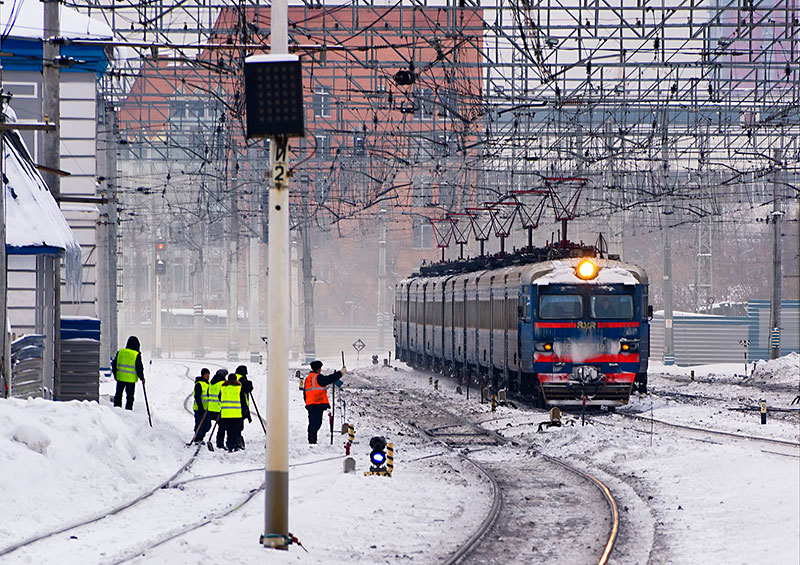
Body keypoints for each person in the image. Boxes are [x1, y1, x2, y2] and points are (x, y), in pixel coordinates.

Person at [304, 360, 346, 444]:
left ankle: (312, 440)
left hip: (310, 404)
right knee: (316, 423)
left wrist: (307, 402)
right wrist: (340, 373)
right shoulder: (318, 377)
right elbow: (329, 379)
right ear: (319, 369)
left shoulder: (308, 378)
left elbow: (305, 393)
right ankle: (312, 441)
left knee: (312, 423)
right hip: (317, 403)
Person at [111, 336, 145, 410]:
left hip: (120, 378)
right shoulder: (136, 354)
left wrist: (116, 375)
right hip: (130, 380)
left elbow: (114, 365)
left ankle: (117, 410)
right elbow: (139, 367)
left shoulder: (120, 352)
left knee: (118, 395)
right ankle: (128, 411)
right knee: (130, 397)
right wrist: (142, 378)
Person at [219, 373, 247, 452]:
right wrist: (244, 411)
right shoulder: (238, 389)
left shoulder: (223, 388)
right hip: (236, 414)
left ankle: (229, 445)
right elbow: (243, 401)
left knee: (228, 430)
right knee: (235, 431)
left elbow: (219, 398)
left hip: (226, 414)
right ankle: (234, 445)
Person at [234, 365, 253, 449]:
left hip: (233, 405)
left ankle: (235, 438)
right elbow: (248, 388)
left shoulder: (234, 377)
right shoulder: (241, 379)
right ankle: (237, 440)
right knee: (239, 425)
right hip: (241, 405)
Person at [191, 368, 211, 443]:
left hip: (207, 409)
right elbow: (197, 396)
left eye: (208, 374)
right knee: (199, 424)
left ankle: (201, 437)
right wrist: (201, 407)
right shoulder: (199, 384)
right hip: (199, 409)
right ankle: (197, 438)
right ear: (203, 375)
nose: (208, 376)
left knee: (207, 425)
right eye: (206, 374)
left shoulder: (208, 384)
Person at [208, 368, 226, 447]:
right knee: (222, 427)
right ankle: (220, 443)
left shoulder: (211, 383)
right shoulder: (222, 383)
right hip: (219, 408)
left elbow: (208, 394)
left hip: (211, 408)